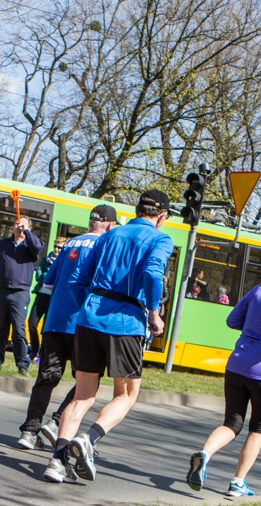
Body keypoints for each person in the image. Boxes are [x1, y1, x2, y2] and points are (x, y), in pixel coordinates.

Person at [46, 189, 173, 483]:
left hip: (89, 318)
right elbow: (153, 273)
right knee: (126, 395)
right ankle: (88, 439)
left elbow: (77, 281)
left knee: (82, 396)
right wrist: (154, 314)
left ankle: (57, 461)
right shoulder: (160, 239)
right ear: (162, 216)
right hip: (126, 323)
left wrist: (88, 309)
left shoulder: (108, 235)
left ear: (137, 210)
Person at [186, 249, 261, 497]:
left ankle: (205, 454)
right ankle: (237, 482)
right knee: (257, 427)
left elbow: (232, 321)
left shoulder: (257, 291)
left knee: (231, 423)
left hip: (237, 365)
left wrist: (252, 327)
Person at [18, 204, 118, 466]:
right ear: (109, 225)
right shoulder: (106, 245)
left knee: (46, 377)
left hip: (55, 321)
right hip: (83, 324)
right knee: (88, 382)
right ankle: (56, 422)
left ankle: (29, 431)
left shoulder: (70, 244)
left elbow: (48, 283)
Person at [0, 212, 42, 375]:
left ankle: (22, 364)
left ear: (29, 229)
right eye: (17, 224)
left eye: (23, 225)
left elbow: (38, 246)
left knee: (19, 329)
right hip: (1, 290)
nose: (20, 227)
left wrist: (27, 232)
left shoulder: (30, 247)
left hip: (20, 293)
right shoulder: (3, 244)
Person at [28, 235, 67, 363]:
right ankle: (34, 349)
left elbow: (61, 279)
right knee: (32, 324)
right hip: (41, 295)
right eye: (55, 246)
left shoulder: (64, 262)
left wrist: (49, 276)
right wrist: (50, 275)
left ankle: (42, 355)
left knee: (46, 328)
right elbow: (38, 277)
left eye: (59, 248)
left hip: (53, 298)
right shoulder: (45, 260)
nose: (56, 249)